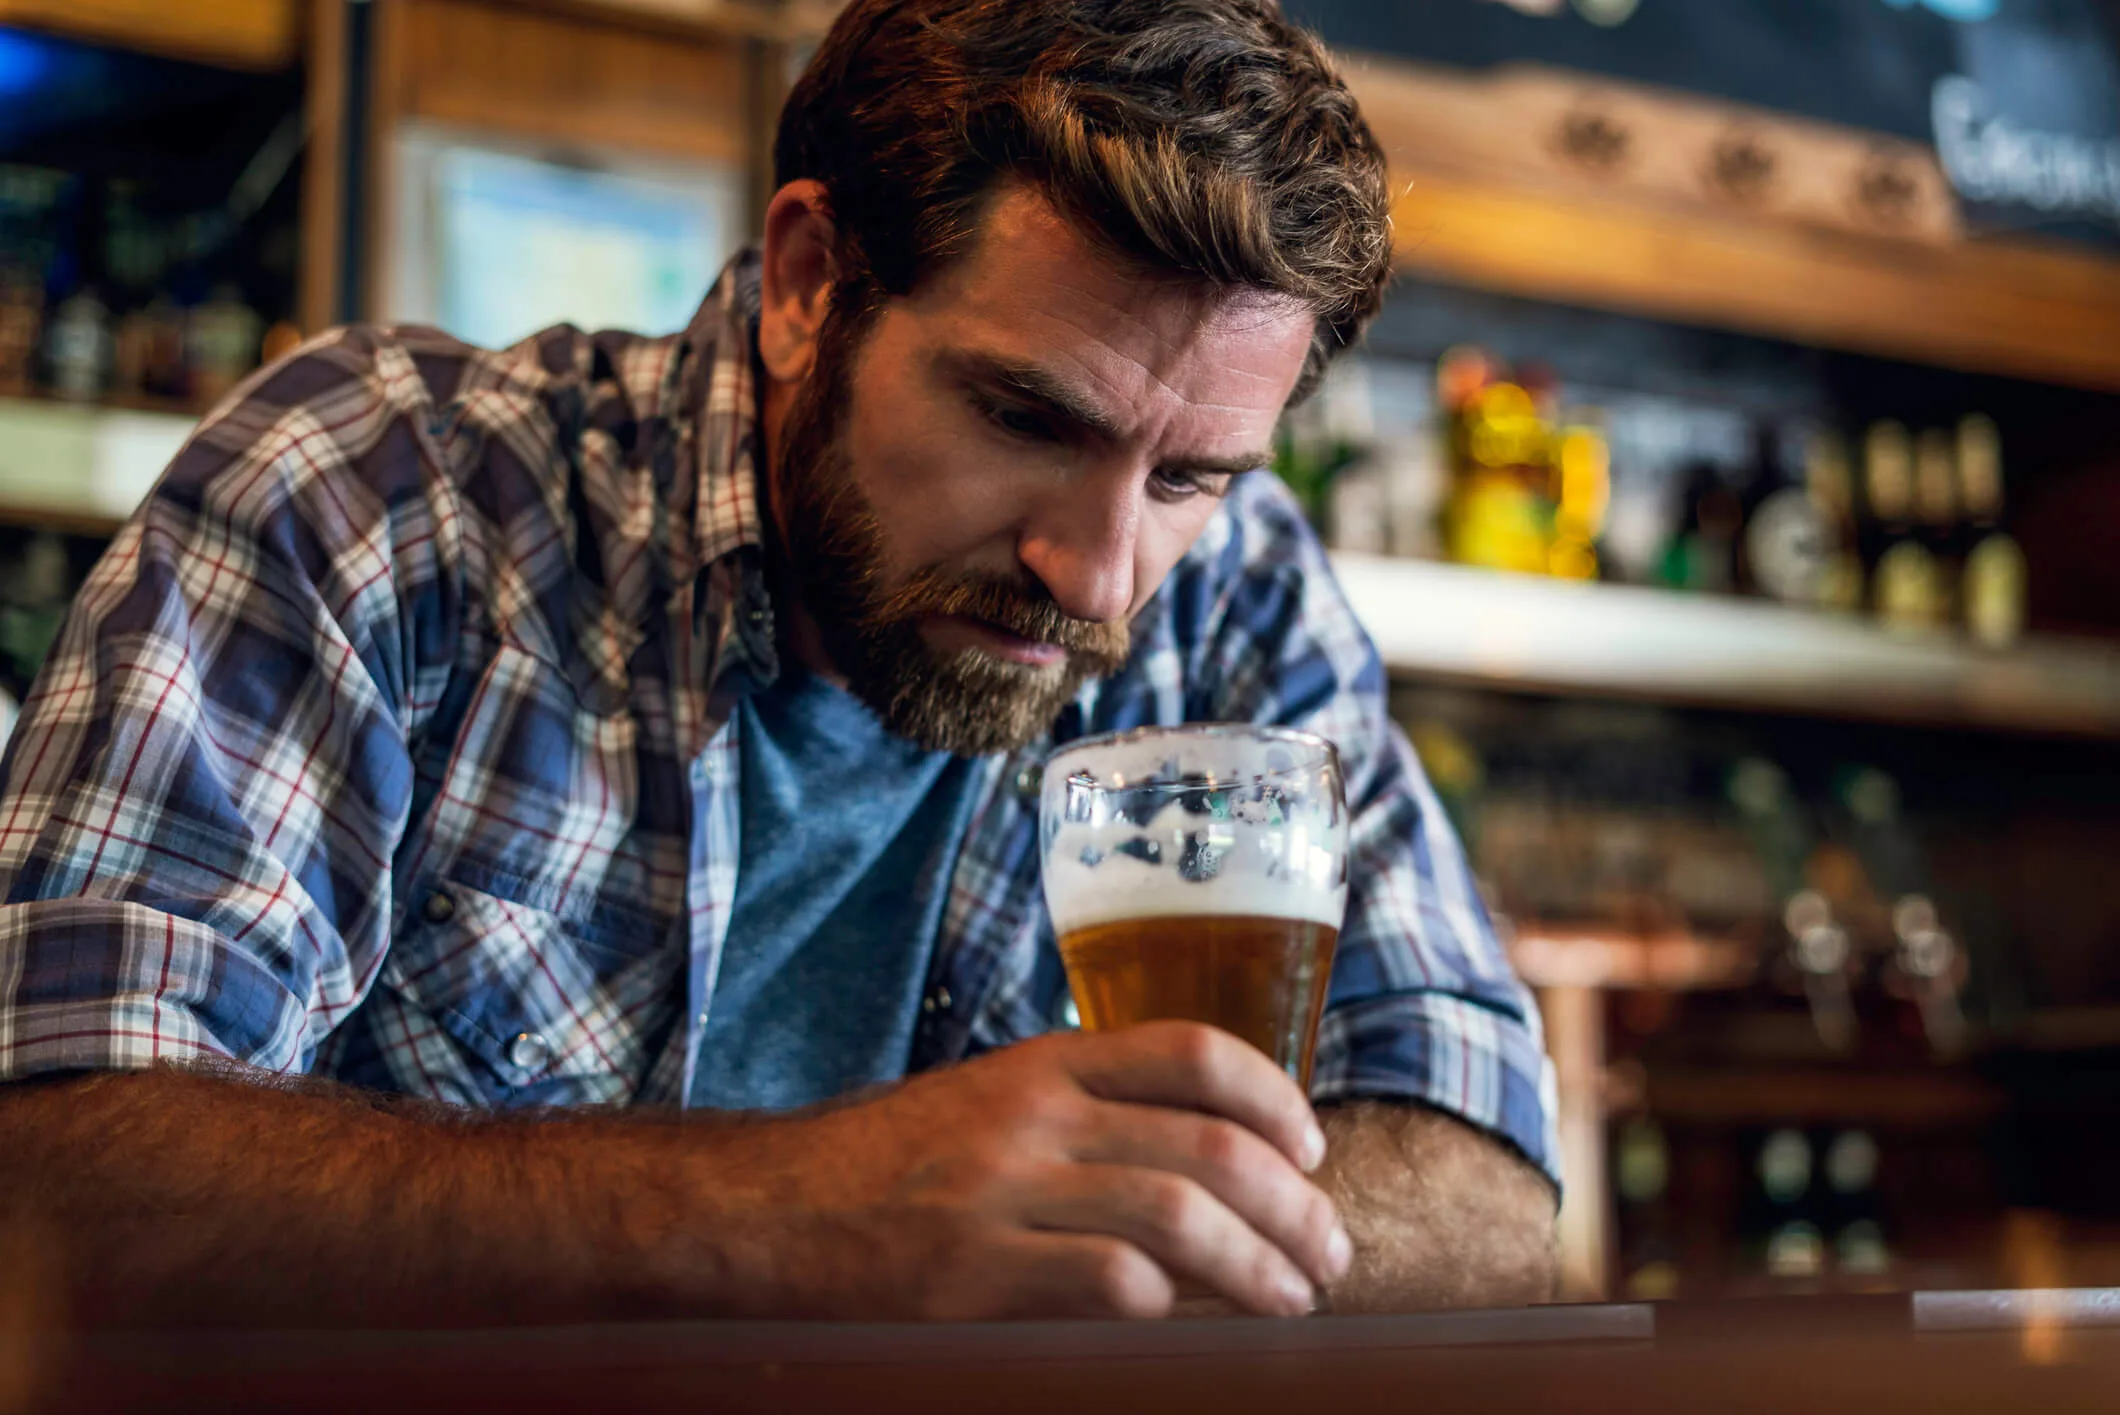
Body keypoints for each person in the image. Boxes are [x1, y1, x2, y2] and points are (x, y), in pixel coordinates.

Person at [0, 0, 1558, 1325]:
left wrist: (1122, 1233)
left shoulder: (1240, 604)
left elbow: (1484, 1188)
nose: (1098, 574)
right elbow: (51, 1186)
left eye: (1188, 475)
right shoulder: (386, 495)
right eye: (1025, 418)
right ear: (812, 281)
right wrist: (795, 1213)